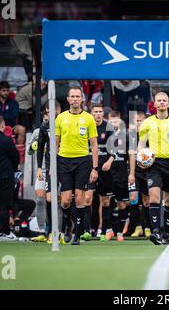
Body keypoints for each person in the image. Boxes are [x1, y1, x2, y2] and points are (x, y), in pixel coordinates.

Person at [138, 91, 169, 245]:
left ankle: (166, 233)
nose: (161, 103)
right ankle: (155, 232)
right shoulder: (147, 123)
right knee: (153, 195)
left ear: (168, 104)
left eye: (164, 100)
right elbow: (141, 144)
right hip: (154, 164)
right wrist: (140, 156)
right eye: (158, 100)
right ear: (154, 104)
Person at [55, 86, 99, 245]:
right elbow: (55, 143)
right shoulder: (60, 118)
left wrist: (95, 168)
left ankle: (78, 234)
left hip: (82, 161)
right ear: (67, 99)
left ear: (82, 99)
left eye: (77, 96)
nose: (74, 99)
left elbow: (94, 145)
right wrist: (51, 166)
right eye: (72, 96)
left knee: (80, 197)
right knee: (66, 200)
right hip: (63, 160)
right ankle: (67, 225)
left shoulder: (88, 118)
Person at [31, 102, 69, 244]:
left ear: (59, 110)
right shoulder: (45, 126)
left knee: (66, 200)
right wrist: (40, 167)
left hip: (67, 165)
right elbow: (40, 147)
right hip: (50, 167)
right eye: (49, 111)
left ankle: (66, 231)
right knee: (49, 199)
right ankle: (52, 232)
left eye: (55, 110)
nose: (52, 113)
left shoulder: (67, 122)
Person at [84, 103, 116, 242]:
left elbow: (114, 149)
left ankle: (103, 231)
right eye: (95, 111)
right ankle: (86, 230)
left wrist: (109, 161)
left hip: (105, 169)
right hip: (89, 168)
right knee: (87, 198)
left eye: (100, 111)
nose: (97, 114)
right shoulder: (86, 126)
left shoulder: (108, 127)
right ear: (91, 113)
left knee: (105, 201)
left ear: (103, 113)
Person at [107, 110, 137, 241]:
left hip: (121, 174)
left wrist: (131, 173)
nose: (114, 123)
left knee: (121, 204)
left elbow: (131, 155)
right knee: (106, 201)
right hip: (106, 174)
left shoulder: (126, 137)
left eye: (116, 121)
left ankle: (120, 232)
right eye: (111, 121)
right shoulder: (104, 135)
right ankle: (107, 230)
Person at [129, 111, 151, 238]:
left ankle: (147, 227)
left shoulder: (150, 136)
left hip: (148, 172)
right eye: (136, 121)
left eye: (140, 120)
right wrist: (131, 173)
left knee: (147, 200)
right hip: (135, 172)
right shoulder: (131, 136)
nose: (138, 123)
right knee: (133, 199)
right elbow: (131, 155)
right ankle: (137, 227)